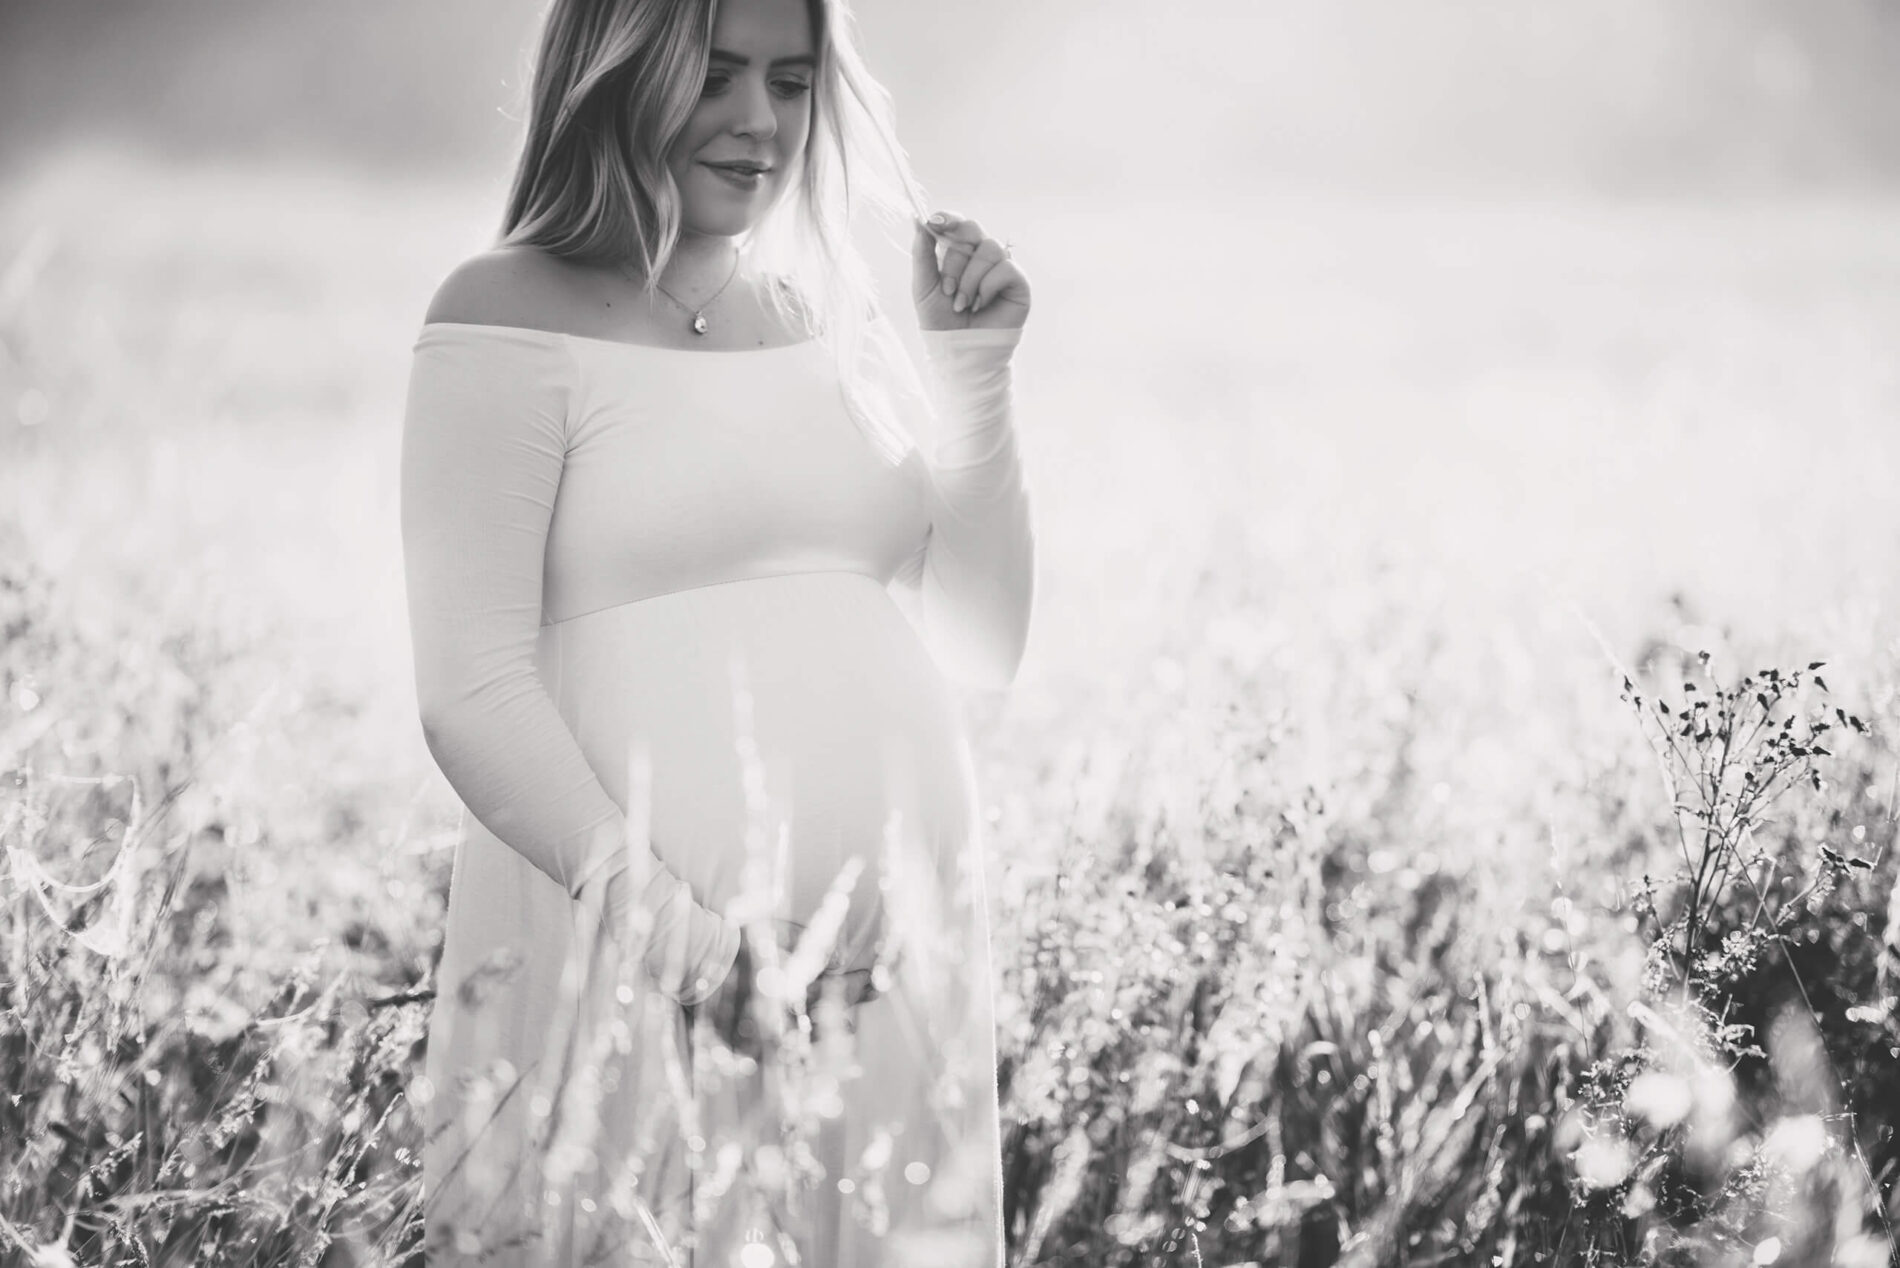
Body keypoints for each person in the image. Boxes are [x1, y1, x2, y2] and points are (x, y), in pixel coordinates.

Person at [398, 0, 1034, 1262]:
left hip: (887, 978)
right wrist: (695, 953)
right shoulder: (504, 310)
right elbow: (469, 687)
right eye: (718, 77)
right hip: (637, 967)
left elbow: (978, 643)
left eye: (792, 83)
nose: (762, 124)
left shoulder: (819, 310)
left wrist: (974, 374)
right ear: (617, 72)